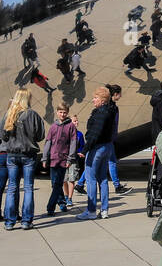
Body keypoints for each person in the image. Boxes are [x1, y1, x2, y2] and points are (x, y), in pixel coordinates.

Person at [0, 90, 45, 230]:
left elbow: (3, 137)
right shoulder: (33, 114)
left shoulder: (9, 114)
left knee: (12, 187)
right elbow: (41, 135)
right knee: (28, 187)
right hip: (28, 154)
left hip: (12, 154)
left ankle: (10, 221)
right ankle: (26, 220)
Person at [78, 86, 119, 220]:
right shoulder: (111, 111)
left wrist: (85, 149)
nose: (93, 100)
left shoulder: (100, 113)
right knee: (102, 178)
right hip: (107, 146)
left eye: (95, 98)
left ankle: (91, 210)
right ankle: (104, 209)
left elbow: (95, 133)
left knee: (91, 178)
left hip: (97, 148)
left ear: (102, 100)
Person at [44, 101, 80, 214]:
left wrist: (70, 158)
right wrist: (44, 158)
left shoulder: (71, 127)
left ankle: (50, 207)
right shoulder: (53, 127)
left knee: (58, 183)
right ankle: (62, 202)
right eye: (60, 112)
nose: (62, 114)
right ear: (57, 112)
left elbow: (73, 143)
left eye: (65, 112)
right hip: (53, 159)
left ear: (67, 113)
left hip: (64, 159)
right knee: (54, 183)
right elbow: (48, 142)